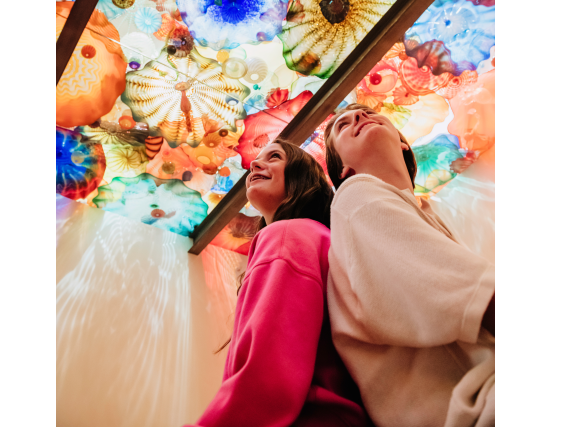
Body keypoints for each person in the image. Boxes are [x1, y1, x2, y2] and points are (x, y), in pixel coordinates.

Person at [323, 104, 496, 427]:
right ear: (342, 169)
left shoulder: (425, 211)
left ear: (404, 142)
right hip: (471, 409)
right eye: (343, 126)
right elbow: (478, 300)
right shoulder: (354, 196)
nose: (358, 117)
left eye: (367, 113)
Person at [187, 139, 370, 427]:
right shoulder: (323, 240)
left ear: (302, 176)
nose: (255, 165)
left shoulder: (287, 235)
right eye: (256, 159)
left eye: (274, 157)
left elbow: (269, 374)